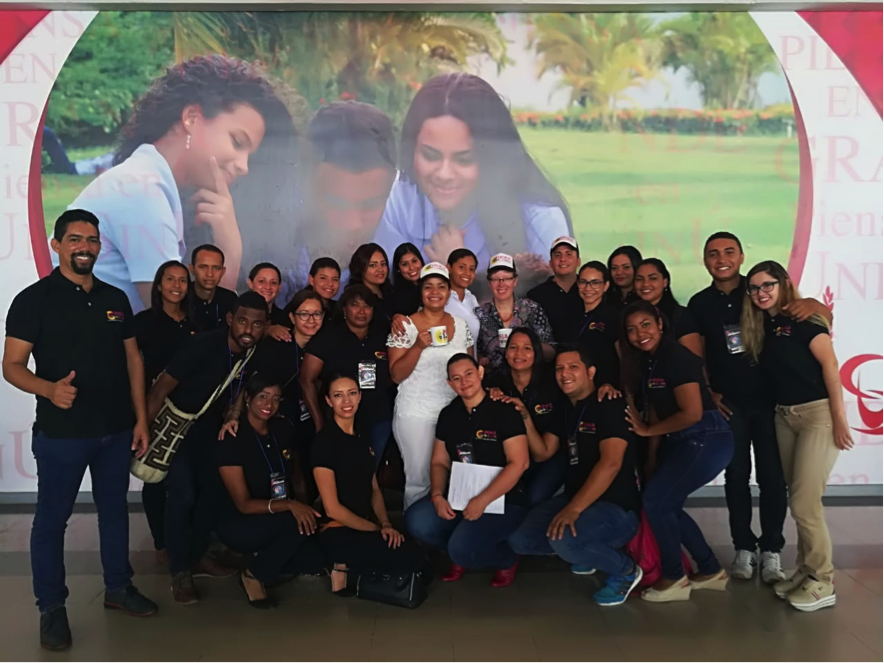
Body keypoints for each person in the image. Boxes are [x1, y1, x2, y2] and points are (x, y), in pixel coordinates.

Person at [3, 210, 157, 651]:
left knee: (114, 514)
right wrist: (49, 389)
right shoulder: (33, 300)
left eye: (91, 240)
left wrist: (141, 418)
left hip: (115, 431)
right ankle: (51, 609)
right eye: (74, 239)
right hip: (61, 435)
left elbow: (133, 360)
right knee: (52, 522)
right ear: (57, 245)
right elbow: (12, 366)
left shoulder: (115, 298)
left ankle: (118, 588)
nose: (84, 247)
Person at [51, 55, 296, 313]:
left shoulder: (149, 182)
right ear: (191, 117)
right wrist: (231, 249)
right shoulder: (141, 191)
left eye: (249, 155)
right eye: (237, 142)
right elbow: (180, 324)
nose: (243, 166)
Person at [688, 233, 833, 584]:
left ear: (740, 256)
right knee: (736, 477)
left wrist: (816, 304)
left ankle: (771, 550)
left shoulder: (757, 290)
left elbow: (811, 312)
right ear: (704, 260)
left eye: (728, 252)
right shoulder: (699, 303)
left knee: (773, 479)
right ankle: (743, 547)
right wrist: (709, 392)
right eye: (712, 253)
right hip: (730, 406)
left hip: (773, 405)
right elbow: (698, 354)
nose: (721, 259)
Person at [373, 73, 572, 289]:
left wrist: (458, 274)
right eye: (430, 156)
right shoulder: (395, 199)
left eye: (464, 159)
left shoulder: (540, 220)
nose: (444, 174)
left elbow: (552, 313)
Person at [145, 291, 268, 604]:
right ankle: (179, 570)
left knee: (213, 490)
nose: (248, 330)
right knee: (182, 494)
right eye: (242, 321)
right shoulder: (202, 345)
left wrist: (235, 413)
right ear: (230, 320)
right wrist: (143, 430)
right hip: (175, 424)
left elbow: (244, 386)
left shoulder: (252, 352)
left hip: (206, 429)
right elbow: (161, 387)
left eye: (257, 324)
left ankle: (197, 554)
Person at [743, 260, 851, 612]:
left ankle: (823, 579)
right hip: (784, 417)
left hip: (817, 415)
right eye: (755, 288)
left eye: (767, 285)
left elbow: (830, 365)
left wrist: (838, 418)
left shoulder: (804, 318)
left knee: (805, 503)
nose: (761, 293)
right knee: (799, 498)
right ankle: (805, 571)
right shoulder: (764, 325)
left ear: (783, 283)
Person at [508, 345, 643, 606]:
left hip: (616, 508)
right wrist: (525, 417)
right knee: (521, 539)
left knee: (566, 540)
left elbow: (612, 463)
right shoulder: (567, 410)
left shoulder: (609, 403)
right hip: (576, 499)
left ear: (591, 372)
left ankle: (625, 570)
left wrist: (573, 510)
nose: (564, 373)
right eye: (559, 368)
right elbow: (544, 452)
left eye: (573, 367)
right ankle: (586, 552)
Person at [620, 301, 734, 603]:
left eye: (645, 324)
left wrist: (645, 432)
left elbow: (692, 412)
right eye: (631, 329)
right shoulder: (650, 361)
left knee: (656, 502)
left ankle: (674, 578)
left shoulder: (677, 357)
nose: (639, 333)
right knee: (665, 504)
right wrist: (651, 456)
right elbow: (658, 411)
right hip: (682, 440)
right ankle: (709, 570)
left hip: (705, 437)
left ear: (660, 324)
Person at [405, 354, 529, 587]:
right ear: (449, 384)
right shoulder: (449, 415)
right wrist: (438, 495)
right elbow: (439, 462)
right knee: (417, 521)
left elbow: (520, 463)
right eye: (456, 378)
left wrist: (483, 500)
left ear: (480, 373)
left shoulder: (504, 410)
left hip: (504, 499)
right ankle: (458, 548)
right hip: (460, 496)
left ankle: (505, 559)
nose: (464, 381)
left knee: (462, 550)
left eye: (469, 374)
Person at [312, 371, 426, 595]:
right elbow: (332, 508)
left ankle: (350, 564)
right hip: (337, 530)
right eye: (338, 395)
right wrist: (376, 530)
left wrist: (386, 524)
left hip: (365, 524)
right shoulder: (324, 443)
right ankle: (341, 564)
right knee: (413, 561)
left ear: (360, 396)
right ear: (328, 400)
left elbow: (373, 486)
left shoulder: (362, 434)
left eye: (352, 393)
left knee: (419, 560)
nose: (346, 401)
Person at [216, 375, 326, 608]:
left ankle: (268, 556)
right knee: (293, 524)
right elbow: (244, 505)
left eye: (276, 399)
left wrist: (304, 505)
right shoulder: (232, 437)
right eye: (263, 397)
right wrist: (291, 506)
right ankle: (254, 575)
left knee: (316, 559)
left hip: (279, 514)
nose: (269, 405)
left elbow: (296, 475)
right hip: (240, 521)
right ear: (247, 399)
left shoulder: (283, 428)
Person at [222, 289, 327, 500]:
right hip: (277, 424)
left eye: (316, 314)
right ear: (292, 317)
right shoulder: (275, 346)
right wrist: (234, 414)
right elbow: (250, 383)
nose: (310, 320)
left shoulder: (325, 345)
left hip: (309, 423)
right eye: (304, 314)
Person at [387, 263, 474, 508]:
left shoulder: (461, 325)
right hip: (417, 414)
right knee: (420, 480)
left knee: (456, 476)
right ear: (421, 291)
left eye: (441, 287)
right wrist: (417, 347)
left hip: (455, 413)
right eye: (428, 287)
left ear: (448, 292)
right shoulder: (405, 325)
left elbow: (469, 369)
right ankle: (417, 535)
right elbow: (395, 375)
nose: (435, 292)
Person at [287, 102, 397, 291]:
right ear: (305, 183)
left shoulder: (401, 268)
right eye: (337, 203)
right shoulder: (267, 248)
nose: (353, 224)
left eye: (371, 204)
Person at [135, 260, 197, 566]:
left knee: (188, 484)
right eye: (170, 279)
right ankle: (164, 545)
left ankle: (184, 546)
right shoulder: (143, 323)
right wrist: (142, 416)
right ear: (159, 285)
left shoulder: (196, 323)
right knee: (156, 478)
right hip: (158, 411)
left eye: (183, 280)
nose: (177, 285)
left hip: (194, 414)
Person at [300, 285, 393, 463]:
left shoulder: (383, 336)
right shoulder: (327, 337)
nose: (361, 311)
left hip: (378, 418)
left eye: (367, 306)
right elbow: (306, 379)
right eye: (355, 305)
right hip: (338, 419)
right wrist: (319, 420)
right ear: (344, 308)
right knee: (343, 472)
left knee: (371, 471)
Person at [486, 328, 565, 506]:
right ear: (505, 353)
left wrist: (524, 415)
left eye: (527, 348)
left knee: (534, 497)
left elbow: (543, 454)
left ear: (536, 353)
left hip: (548, 458)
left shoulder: (552, 385)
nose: (519, 353)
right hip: (511, 458)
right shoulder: (495, 383)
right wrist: (488, 395)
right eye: (513, 347)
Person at [475, 253, 554, 371]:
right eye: (496, 279)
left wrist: (528, 346)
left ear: (515, 281)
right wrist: (481, 359)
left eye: (506, 278)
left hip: (528, 380)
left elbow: (551, 350)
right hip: (494, 383)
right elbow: (476, 350)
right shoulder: (481, 313)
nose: (501, 284)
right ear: (489, 283)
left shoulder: (531, 309)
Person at [634, 258, 701, 356]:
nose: (645, 284)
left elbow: (695, 362)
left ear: (665, 282)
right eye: (639, 279)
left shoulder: (680, 316)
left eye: (652, 278)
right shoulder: (631, 316)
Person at [526, 236, 584, 342]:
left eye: (569, 254)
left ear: (578, 261)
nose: (563, 259)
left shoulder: (590, 291)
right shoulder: (536, 295)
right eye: (557, 255)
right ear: (550, 263)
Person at [575, 261, 621, 387]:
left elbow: (624, 358)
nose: (588, 288)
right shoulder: (569, 313)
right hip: (573, 386)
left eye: (595, 283)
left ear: (606, 285)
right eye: (583, 282)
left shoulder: (613, 316)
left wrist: (612, 384)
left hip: (605, 388)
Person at [189, 244, 238, 332]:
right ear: (192, 269)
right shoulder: (180, 298)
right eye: (203, 267)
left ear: (223, 272)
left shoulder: (230, 299)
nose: (210, 274)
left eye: (216, 268)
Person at [444, 248, 481, 357]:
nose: (467, 273)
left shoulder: (472, 299)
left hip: (470, 367)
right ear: (449, 268)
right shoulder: (440, 299)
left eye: (472, 269)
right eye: (462, 267)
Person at [347, 243, 396, 323]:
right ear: (360, 269)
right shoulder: (357, 298)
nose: (380, 269)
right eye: (373, 265)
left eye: (383, 264)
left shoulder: (389, 292)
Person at [247, 262, 290, 329]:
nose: (268, 287)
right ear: (250, 283)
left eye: (273, 283)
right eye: (261, 281)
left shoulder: (285, 319)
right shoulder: (237, 312)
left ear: (279, 286)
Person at [391, 242, 426, 316]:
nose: (411, 267)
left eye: (414, 261)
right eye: (405, 264)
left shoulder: (433, 284)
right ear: (398, 269)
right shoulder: (398, 299)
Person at [605, 246, 642, 310]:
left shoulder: (645, 297)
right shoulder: (605, 297)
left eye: (626, 267)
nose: (619, 272)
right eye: (614, 268)